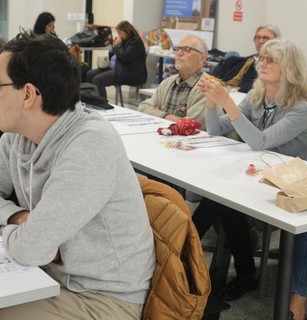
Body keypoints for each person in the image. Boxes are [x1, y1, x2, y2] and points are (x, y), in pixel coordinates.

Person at [0, 30, 155, 319]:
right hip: (45, 275)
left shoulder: (90, 142)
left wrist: (30, 237)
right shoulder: (16, 137)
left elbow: (32, 248)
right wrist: (18, 218)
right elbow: (34, 246)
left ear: (28, 94)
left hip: (102, 296)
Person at [194, 38, 307, 320]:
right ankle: (236, 269)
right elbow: (216, 131)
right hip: (262, 176)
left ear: (289, 68)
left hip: (298, 187)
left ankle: (296, 301)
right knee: (219, 198)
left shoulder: (300, 108)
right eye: (262, 58)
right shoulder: (257, 96)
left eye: (271, 59)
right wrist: (213, 104)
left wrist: (229, 102)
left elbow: (260, 141)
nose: (262, 63)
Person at [138, 35, 209, 130]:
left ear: (202, 58)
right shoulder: (168, 82)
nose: (179, 53)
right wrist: (167, 116)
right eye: (178, 49)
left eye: (187, 49)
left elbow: (190, 125)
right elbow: (143, 108)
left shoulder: (207, 87)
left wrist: (156, 113)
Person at [85, 20, 147, 99]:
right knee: (89, 74)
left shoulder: (135, 42)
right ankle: (90, 99)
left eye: (120, 33)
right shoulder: (124, 41)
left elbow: (125, 57)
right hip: (117, 68)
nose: (119, 35)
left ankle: (102, 102)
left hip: (129, 72)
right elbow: (112, 56)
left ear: (127, 31)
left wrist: (117, 46)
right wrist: (113, 48)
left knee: (97, 80)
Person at [212, 23, 281, 93]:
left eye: (265, 38)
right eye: (258, 37)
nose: (260, 41)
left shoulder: (279, 64)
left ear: (276, 41)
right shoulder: (250, 62)